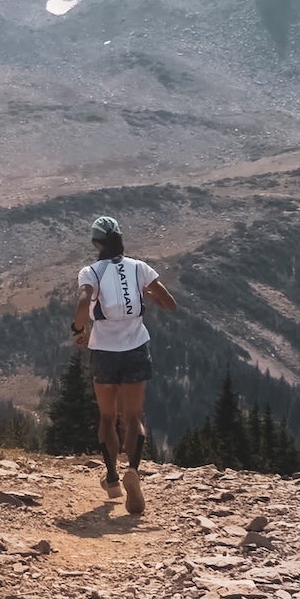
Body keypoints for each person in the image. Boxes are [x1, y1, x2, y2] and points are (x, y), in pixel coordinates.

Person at [72, 214, 175, 515]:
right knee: (133, 417)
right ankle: (133, 469)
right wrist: (146, 294)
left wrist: (78, 332)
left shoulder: (90, 272)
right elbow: (169, 302)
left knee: (107, 417)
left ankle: (113, 480)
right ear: (120, 238)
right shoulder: (139, 268)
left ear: (96, 243)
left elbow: (82, 304)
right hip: (136, 348)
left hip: (104, 351)